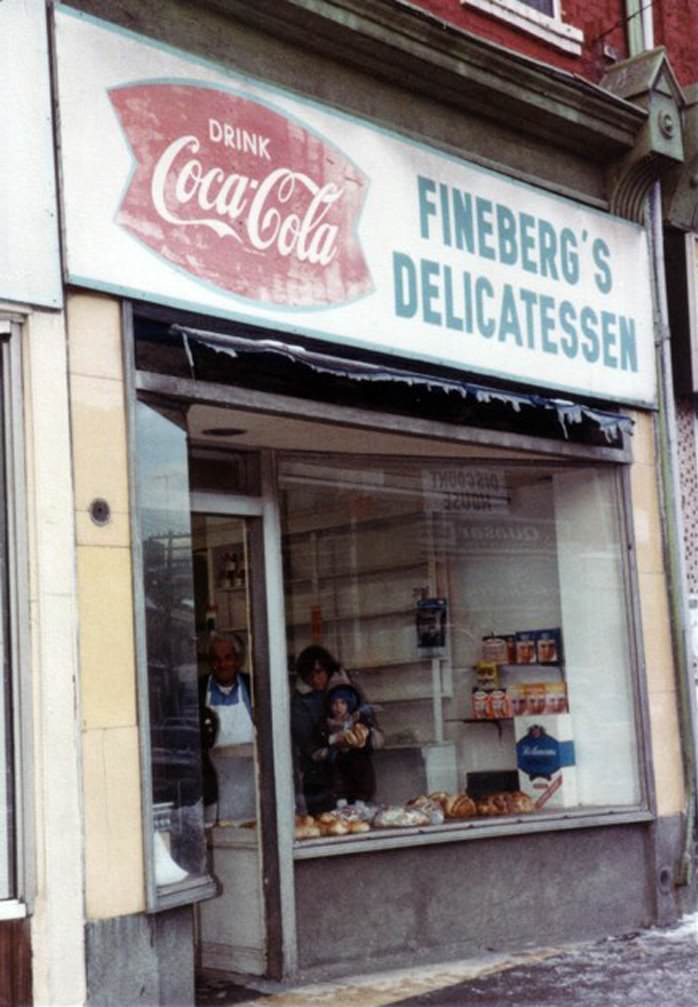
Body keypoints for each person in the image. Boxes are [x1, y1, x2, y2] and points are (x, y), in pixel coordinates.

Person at [199, 633, 254, 824]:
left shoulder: (254, 686)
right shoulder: (198, 690)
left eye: (228, 658)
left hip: (250, 788)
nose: (222, 664)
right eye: (216, 659)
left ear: (238, 660)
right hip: (213, 793)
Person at [290, 645, 343, 814]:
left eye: (319, 672)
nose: (314, 679)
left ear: (328, 669)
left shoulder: (343, 689)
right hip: (317, 777)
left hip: (349, 774)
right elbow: (306, 741)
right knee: (324, 822)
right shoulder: (299, 702)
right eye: (309, 674)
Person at [320, 682, 379, 804]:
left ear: (349, 704)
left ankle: (361, 799)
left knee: (360, 800)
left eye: (343, 703)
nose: (338, 707)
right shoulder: (327, 724)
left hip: (359, 771)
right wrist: (334, 739)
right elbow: (322, 742)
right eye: (334, 703)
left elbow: (367, 746)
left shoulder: (358, 722)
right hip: (337, 773)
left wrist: (356, 739)